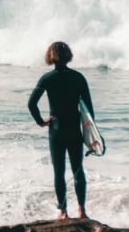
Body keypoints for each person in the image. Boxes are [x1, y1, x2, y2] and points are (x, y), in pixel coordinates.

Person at [28, 41, 95, 220]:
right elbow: (89, 111)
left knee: (59, 172)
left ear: (50, 56)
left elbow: (31, 103)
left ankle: (63, 212)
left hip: (56, 131)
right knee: (78, 170)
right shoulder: (79, 78)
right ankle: (82, 211)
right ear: (68, 56)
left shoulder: (47, 79)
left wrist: (41, 122)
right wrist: (91, 138)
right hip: (74, 131)